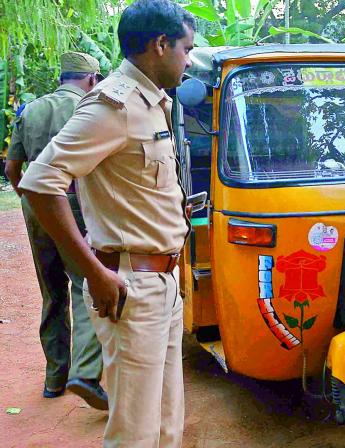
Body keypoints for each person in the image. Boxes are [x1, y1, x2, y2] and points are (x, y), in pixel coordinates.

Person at [17, 0, 195, 445]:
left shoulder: (153, 103)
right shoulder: (113, 105)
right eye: (186, 49)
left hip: (164, 283)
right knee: (135, 432)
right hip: (130, 288)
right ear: (160, 44)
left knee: (166, 425)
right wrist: (94, 273)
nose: (187, 60)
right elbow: (39, 183)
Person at [5, 52, 108, 409]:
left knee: (51, 289)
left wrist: (28, 197)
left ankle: (55, 378)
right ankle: (85, 371)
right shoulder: (91, 109)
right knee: (85, 283)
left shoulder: (30, 110)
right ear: (92, 79)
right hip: (75, 200)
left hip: (35, 205)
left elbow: (12, 169)